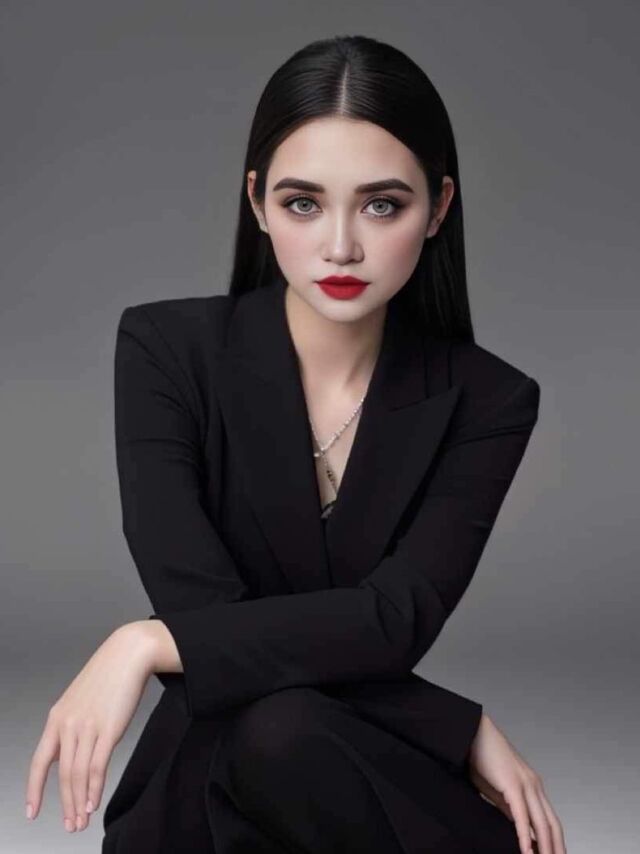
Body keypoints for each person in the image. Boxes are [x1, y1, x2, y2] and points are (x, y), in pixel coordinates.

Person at [24, 34, 566, 853]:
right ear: (256, 201)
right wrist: (455, 724)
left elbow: (394, 620)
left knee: (282, 732)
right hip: (203, 780)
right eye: (303, 203)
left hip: (355, 783)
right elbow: (206, 612)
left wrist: (143, 641)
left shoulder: (488, 399)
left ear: (438, 208)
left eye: (382, 205)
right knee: (272, 728)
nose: (340, 246)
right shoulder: (167, 352)